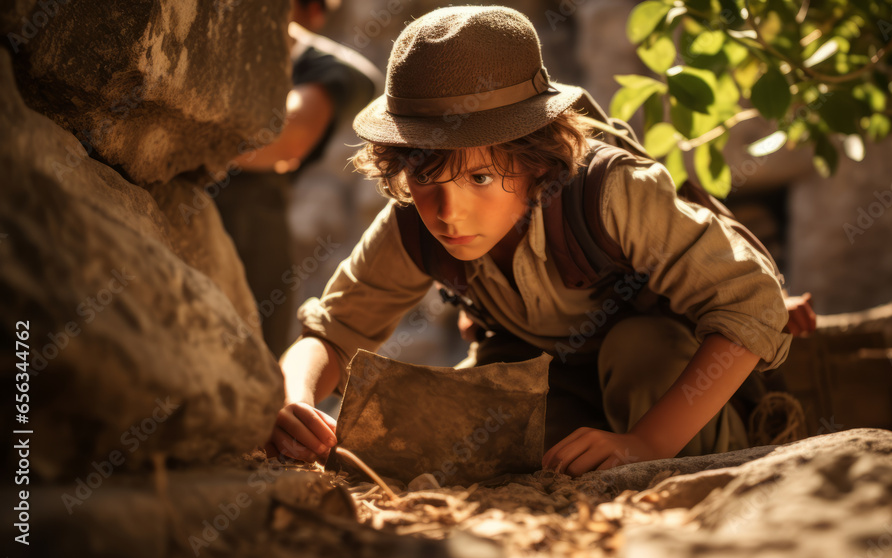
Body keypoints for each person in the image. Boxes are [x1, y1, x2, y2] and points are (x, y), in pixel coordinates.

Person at [267, 6, 809, 476]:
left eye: (480, 178)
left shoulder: (610, 191)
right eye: (426, 177)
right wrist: (295, 399)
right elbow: (332, 332)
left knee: (641, 348)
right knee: (437, 424)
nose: (448, 213)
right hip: (549, 385)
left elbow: (750, 302)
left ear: (537, 161)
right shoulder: (411, 221)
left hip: (665, 391)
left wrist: (646, 445)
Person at [215, 0, 380, 356]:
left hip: (250, 238)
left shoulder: (332, 69)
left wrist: (174, 137)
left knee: (249, 360)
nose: (318, 14)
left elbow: (280, 141)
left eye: (323, 5)